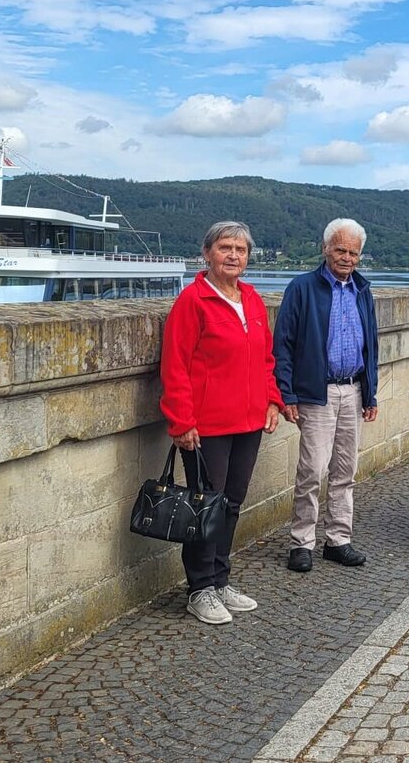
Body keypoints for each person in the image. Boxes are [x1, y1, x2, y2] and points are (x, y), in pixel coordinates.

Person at [160, 221, 283, 626]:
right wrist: (181, 420)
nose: (233, 255)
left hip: (247, 421)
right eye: (225, 248)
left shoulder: (251, 299)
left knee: (231, 504)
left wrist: (272, 400)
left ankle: (219, 578)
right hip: (206, 425)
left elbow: (266, 360)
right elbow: (175, 366)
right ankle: (199, 589)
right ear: (207, 254)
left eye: (241, 249)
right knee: (204, 507)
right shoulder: (193, 301)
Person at [275, 219, 380, 574]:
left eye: (353, 252)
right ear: (325, 249)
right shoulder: (302, 288)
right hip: (316, 392)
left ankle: (338, 540)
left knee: (345, 470)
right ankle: (301, 542)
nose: (346, 257)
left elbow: (372, 346)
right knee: (311, 470)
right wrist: (286, 393)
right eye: (340, 250)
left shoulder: (362, 291)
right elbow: (283, 344)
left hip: (353, 388)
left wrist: (371, 394)